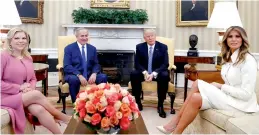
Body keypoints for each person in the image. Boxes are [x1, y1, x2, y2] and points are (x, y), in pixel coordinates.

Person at [157, 26, 259, 134]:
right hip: (230, 97)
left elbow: (246, 94)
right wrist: (221, 88)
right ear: (226, 39)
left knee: (197, 83)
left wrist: (221, 87)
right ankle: (177, 131)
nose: (234, 39)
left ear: (243, 39)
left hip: (242, 104)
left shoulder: (248, 60)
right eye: (230, 36)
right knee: (196, 98)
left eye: (237, 36)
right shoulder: (228, 57)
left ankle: (174, 122)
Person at [0, 27, 71, 134]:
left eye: (24, 38)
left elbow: (33, 78)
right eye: (17, 38)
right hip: (4, 97)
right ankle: (61, 116)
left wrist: (30, 88)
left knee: (39, 109)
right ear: (10, 40)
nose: (21, 41)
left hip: (24, 95)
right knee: (36, 94)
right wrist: (19, 88)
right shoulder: (3, 57)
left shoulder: (28, 57)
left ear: (27, 41)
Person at [130, 29, 170, 118]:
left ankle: (160, 105)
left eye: (152, 35)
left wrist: (153, 73)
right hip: (144, 72)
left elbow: (165, 64)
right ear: (144, 38)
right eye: (148, 36)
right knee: (134, 73)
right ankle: (138, 102)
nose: (150, 38)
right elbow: (137, 63)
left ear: (155, 36)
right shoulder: (140, 47)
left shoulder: (163, 47)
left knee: (164, 75)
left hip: (157, 73)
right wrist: (145, 73)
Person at [63, 27, 107, 103]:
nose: (84, 38)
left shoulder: (92, 49)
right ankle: (76, 104)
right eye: (82, 36)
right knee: (73, 80)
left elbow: (96, 64)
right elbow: (67, 66)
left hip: (89, 75)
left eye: (86, 35)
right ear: (76, 37)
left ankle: (100, 103)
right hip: (75, 75)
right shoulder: (69, 48)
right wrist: (79, 75)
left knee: (103, 77)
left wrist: (94, 73)